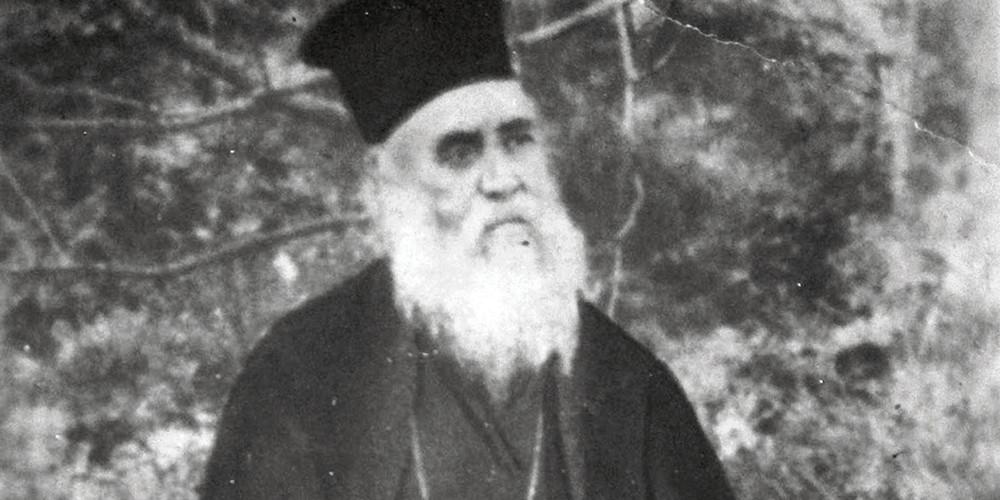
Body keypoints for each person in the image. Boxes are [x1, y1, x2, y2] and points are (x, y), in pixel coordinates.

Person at [199, 0, 736, 498]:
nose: (502, 180)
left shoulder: (629, 384)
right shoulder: (300, 374)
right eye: (460, 153)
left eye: (517, 140)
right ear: (385, 185)